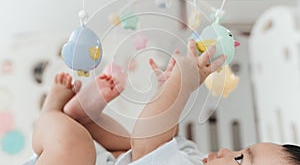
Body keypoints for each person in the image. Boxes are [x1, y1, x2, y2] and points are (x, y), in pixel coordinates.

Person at [26, 40, 300, 165]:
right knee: (127, 142)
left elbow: (147, 146)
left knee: (75, 147)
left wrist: (181, 85)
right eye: (241, 149)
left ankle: (52, 113)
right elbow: (151, 140)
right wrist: (164, 96)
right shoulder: (194, 160)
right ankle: (82, 119)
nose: (228, 149)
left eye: (240, 160)